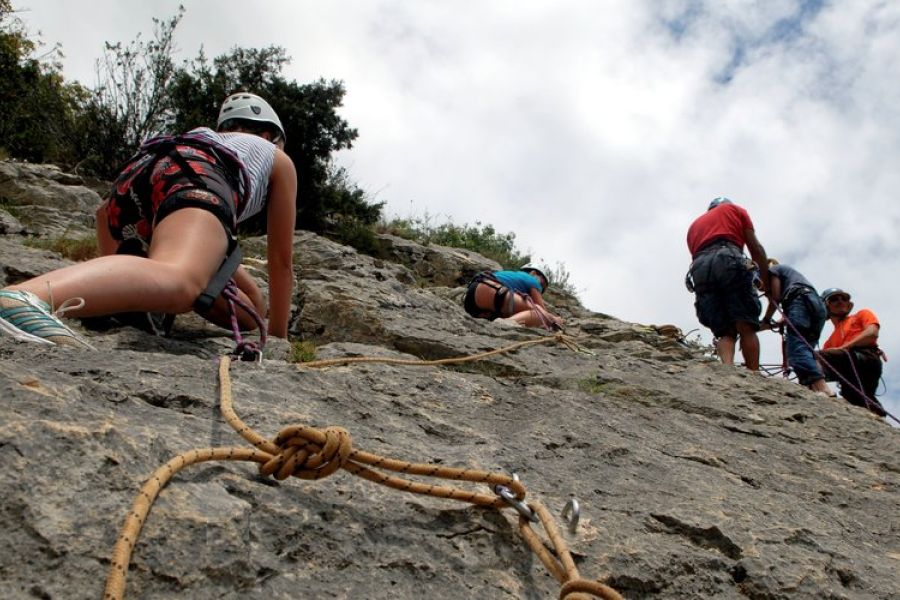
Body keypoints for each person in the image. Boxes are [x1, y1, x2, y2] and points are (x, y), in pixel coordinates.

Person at [0, 92, 298, 347]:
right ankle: (24, 298)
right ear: (270, 135)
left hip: (140, 181)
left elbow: (104, 212)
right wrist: (279, 341)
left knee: (251, 306)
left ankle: (128, 299)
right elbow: (281, 261)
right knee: (181, 281)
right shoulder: (276, 156)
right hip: (199, 178)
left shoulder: (202, 138)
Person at [686, 197, 768, 370]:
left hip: (700, 267)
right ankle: (754, 373)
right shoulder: (735, 210)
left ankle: (728, 369)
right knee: (746, 324)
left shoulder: (694, 226)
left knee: (723, 330)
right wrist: (764, 280)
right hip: (727, 256)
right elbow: (755, 248)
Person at [759, 259, 831, 394]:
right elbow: (790, 317)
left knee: (796, 348)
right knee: (807, 350)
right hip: (815, 304)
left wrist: (766, 319)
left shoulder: (773, 270)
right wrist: (767, 325)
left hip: (799, 300)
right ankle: (816, 388)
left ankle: (822, 388)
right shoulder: (793, 278)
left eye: (760, 285)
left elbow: (775, 298)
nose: (762, 289)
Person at [816, 288, 886, 417]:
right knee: (858, 399)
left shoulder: (862, 315)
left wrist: (844, 348)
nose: (840, 301)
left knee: (814, 356)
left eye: (844, 299)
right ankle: (878, 417)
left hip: (865, 358)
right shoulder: (830, 342)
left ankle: (822, 391)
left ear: (849, 305)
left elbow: (872, 333)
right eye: (834, 299)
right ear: (826, 306)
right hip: (851, 370)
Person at [464, 266, 563, 330]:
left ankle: (505, 321)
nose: (541, 288)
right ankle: (506, 325)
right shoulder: (532, 279)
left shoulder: (511, 276)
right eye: (542, 284)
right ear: (534, 273)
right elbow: (541, 312)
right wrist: (555, 319)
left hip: (472, 298)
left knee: (524, 312)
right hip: (492, 291)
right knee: (539, 313)